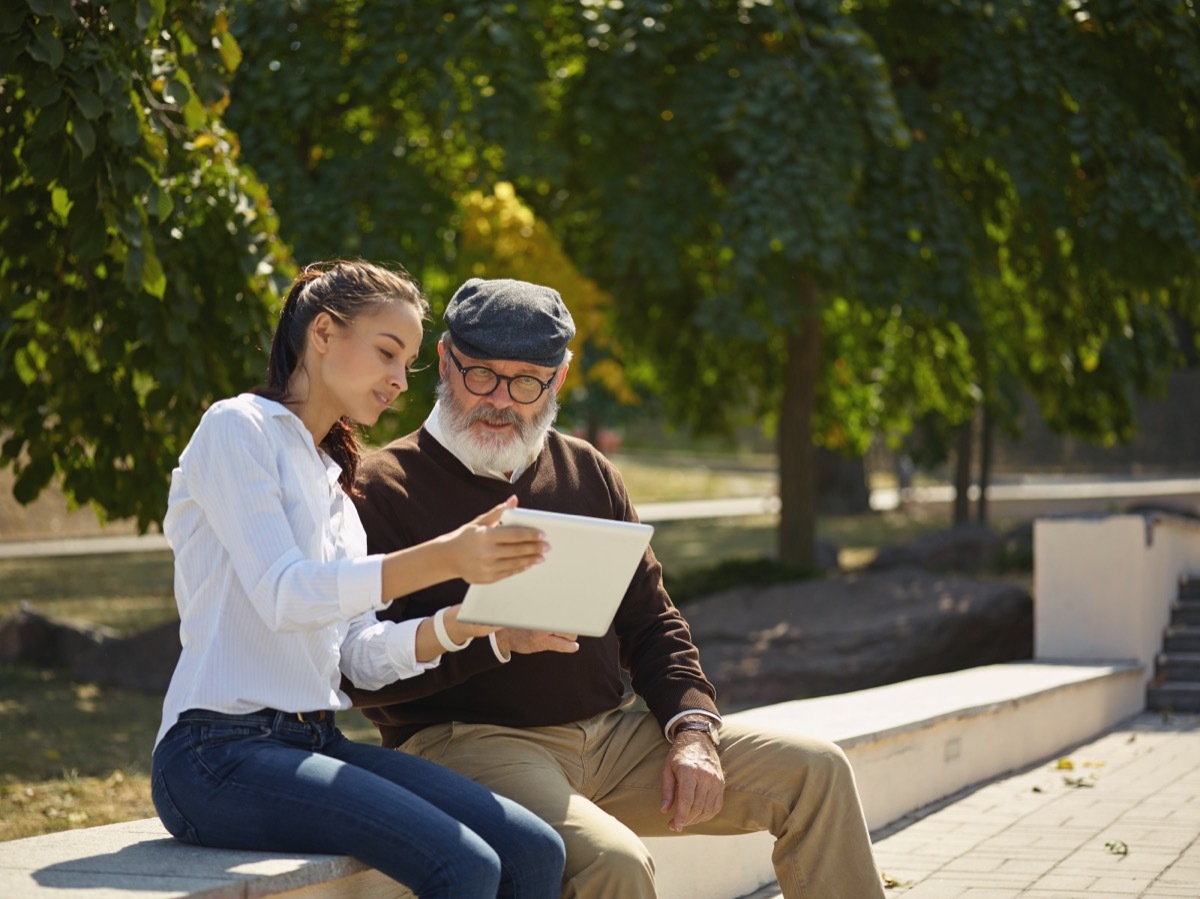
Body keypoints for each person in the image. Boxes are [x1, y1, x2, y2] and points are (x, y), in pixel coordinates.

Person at [345, 276, 888, 899]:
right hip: (470, 747)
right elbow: (363, 674)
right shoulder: (381, 486)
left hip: (611, 738)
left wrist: (691, 731)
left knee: (816, 771)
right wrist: (491, 638)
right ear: (444, 359)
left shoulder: (588, 472)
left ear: (560, 379)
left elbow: (652, 622)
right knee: (616, 862)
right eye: (481, 375)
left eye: (527, 382)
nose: (501, 400)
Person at [150, 261, 567, 899]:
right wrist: (448, 558)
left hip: (311, 739)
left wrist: (466, 623)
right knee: (465, 867)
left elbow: (357, 657)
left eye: (409, 365)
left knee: (535, 851)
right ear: (323, 334)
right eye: (387, 353)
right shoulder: (237, 429)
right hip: (214, 755)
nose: (400, 381)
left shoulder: (337, 490)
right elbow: (286, 594)